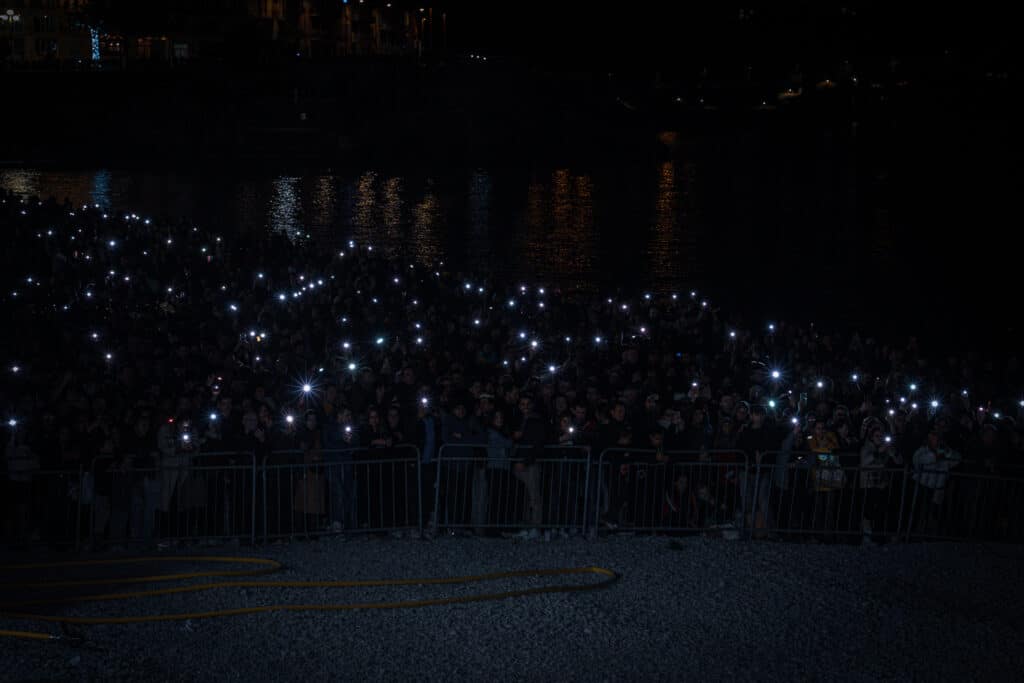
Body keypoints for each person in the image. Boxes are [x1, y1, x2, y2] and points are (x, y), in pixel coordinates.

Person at [911, 430, 962, 537]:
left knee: (935, 513)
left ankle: (932, 534)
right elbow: (918, 460)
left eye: (936, 437)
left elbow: (956, 459)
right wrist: (935, 456)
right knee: (921, 512)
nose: (934, 440)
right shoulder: (922, 451)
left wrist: (947, 452)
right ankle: (916, 533)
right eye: (932, 437)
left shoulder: (945, 451)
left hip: (938, 488)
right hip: (923, 486)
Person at [858, 427, 902, 544]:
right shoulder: (867, 448)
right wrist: (879, 452)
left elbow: (899, 461)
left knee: (881, 510)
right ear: (872, 437)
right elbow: (865, 462)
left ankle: (878, 535)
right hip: (868, 484)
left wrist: (894, 453)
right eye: (877, 436)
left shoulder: (886, 448)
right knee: (869, 510)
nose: (879, 438)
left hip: (882, 483)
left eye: (881, 436)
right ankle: (867, 536)